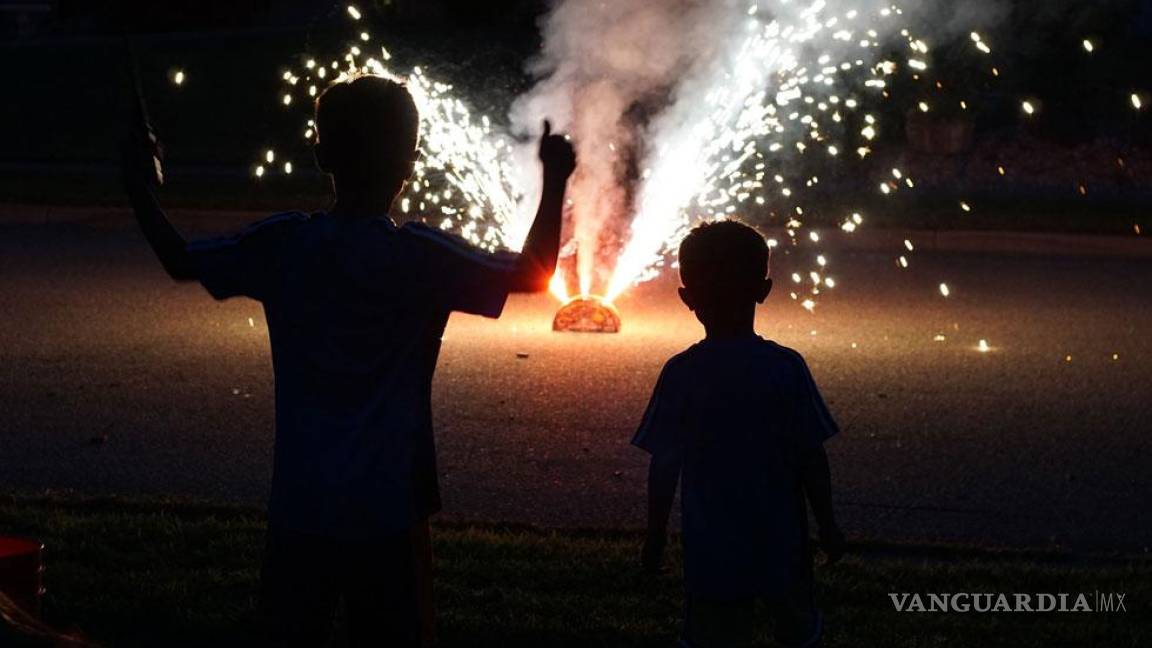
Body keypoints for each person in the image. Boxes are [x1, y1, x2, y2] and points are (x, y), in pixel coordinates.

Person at [121, 74, 577, 647]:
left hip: (301, 499)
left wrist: (139, 187)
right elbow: (536, 272)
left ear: (321, 155)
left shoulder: (284, 245)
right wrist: (555, 181)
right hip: (391, 506)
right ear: (408, 162)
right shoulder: (420, 256)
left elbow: (181, 259)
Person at [633, 220, 845, 648]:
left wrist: (655, 538)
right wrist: (828, 524)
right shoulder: (786, 368)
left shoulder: (681, 374)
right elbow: (810, 455)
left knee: (711, 634)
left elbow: (664, 466)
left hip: (712, 545)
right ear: (763, 290)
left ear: (687, 298)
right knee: (797, 630)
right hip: (781, 543)